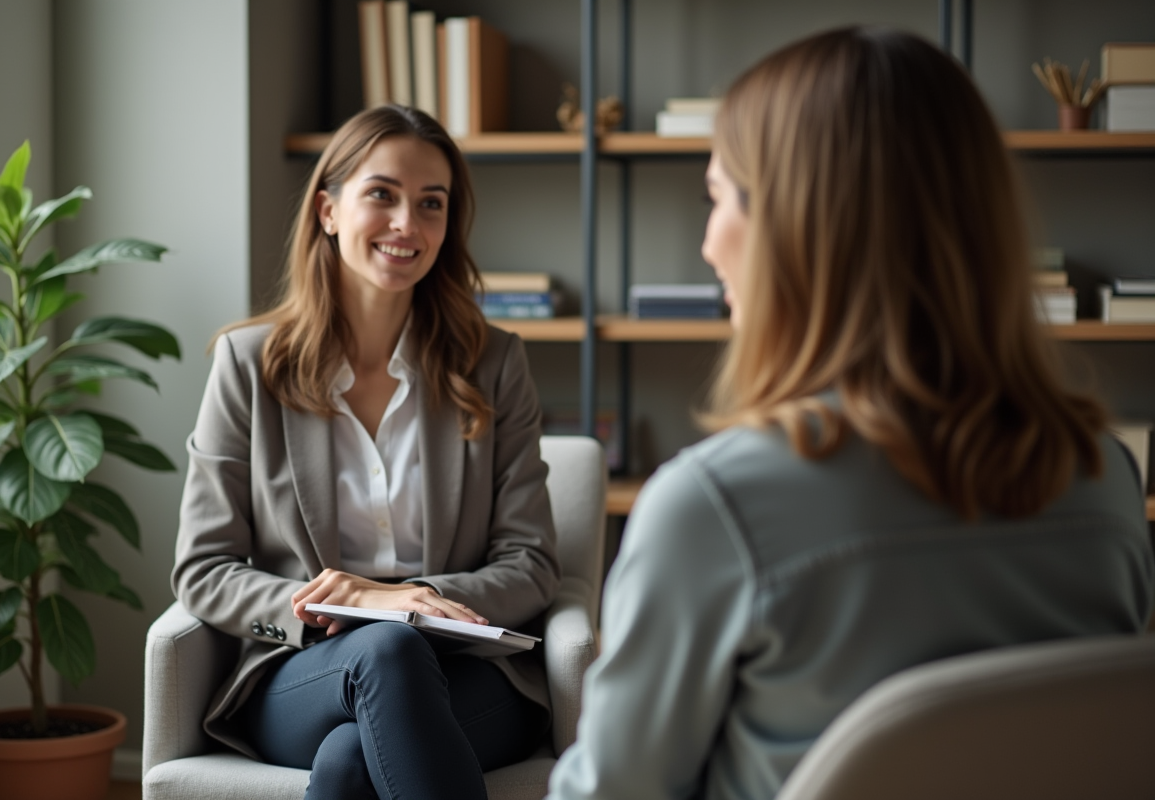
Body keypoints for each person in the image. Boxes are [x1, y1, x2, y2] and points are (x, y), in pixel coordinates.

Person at [547, 27, 1154, 800]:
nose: (706, 244)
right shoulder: (1105, 477)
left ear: (798, 228)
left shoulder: (714, 509)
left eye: (719, 197)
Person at [172, 104, 560, 800]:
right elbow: (203, 568)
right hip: (307, 671)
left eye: (431, 203)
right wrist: (326, 605)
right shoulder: (247, 365)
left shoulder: (494, 363)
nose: (407, 224)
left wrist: (420, 600)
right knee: (384, 649)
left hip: (470, 672)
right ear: (327, 209)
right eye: (382, 194)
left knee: (354, 759)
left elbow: (530, 562)